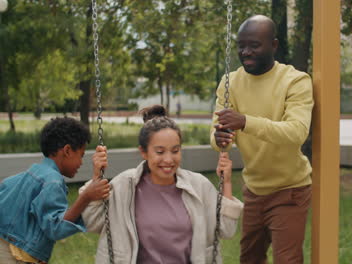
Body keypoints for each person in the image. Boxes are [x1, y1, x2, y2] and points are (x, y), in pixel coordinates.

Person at [81, 104, 243, 264]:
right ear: (143, 152)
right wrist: (97, 176)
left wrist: (226, 182)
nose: (168, 159)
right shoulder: (124, 186)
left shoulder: (199, 186)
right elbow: (93, 222)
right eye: (159, 152)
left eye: (175, 151)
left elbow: (226, 229)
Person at [211, 15, 314, 263]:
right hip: (254, 189)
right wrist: (220, 137)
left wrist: (245, 121)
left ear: (274, 45)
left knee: (287, 259)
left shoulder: (296, 81)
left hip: (290, 189)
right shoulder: (230, 82)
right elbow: (217, 140)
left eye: (254, 45)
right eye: (241, 45)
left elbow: (296, 131)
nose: (246, 52)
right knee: (249, 258)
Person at [0, 117, 111, 264]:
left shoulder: (22, 177)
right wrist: (86, 196)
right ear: (67, 150)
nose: (81, 162)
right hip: (15, 257)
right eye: (81, 155)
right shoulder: (52, 181)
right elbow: (55, 227)